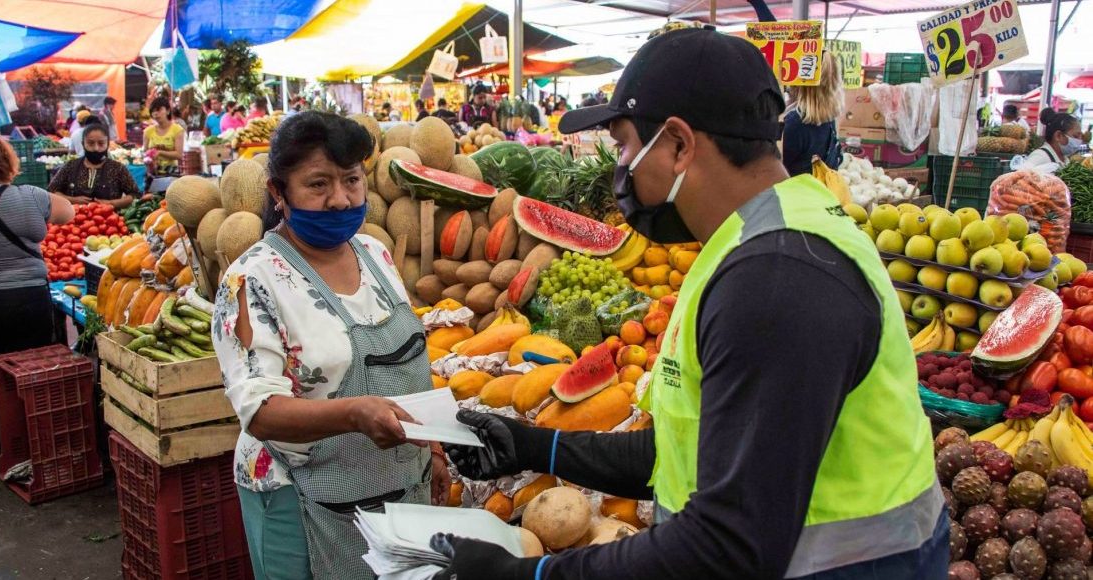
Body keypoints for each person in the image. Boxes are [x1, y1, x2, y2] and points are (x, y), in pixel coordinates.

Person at [434, 28, 945, 580]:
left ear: (678, 144)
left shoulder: (777, 279)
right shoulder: (757, 241)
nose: (622, 167)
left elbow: (727, 545)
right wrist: (535, 446)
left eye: (626, 145)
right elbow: (695, 451)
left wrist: (529, 576)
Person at [212, 111, 450, 580]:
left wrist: (433, 450)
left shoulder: (377, 255)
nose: (340, 200)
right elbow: (260, 412)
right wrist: (353, 414)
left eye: (351, 180)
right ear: (279, 193)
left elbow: (406, 364)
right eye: (318, 185)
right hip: (298, 496)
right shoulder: (251, 279)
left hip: (400, 485)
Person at [0, 137, 75, 462]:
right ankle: (39, 441)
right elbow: (67, 212)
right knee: (36, 369)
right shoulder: (30, 195)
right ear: (7, 161)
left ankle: (3, 445)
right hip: (31, 297)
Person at [781, 51, 844, 176]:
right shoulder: (829, 117)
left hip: (796, 193)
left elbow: (778, 169)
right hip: (820, 192)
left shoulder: (795, 123)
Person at [49, 125, 140, 209]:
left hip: (109, 222)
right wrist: (72, 200)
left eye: (101, 143)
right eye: (91, 143)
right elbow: (52, 190)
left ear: (107, 144)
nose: (96, 148)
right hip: (74, 221)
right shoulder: (70, 166)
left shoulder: (118, 168)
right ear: (83, 144)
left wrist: (111, 203)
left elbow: (133, 194)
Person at [143, 98, 185, 176]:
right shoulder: (147, 131)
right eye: (153, 111)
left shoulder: (177, 130)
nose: (155, 113)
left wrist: (160, 153)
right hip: (152, 173)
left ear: (168, 111)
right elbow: (145, 153)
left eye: (159, 110)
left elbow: (179, 155)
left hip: (171, 173)